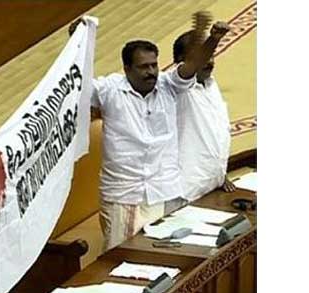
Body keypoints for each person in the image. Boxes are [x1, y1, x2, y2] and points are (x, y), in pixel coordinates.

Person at [69, 14, 218, 251]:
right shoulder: (109, 90)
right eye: (143, 67)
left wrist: (213, 38)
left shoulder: (169, 86)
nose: (151, 72)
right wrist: (77, 44)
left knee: (175, 263)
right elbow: (78, 84)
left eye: (154, 65)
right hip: (124, 198)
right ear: (127, 69)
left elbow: (192, 66)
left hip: (166, 191)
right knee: (123, 262)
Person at [172, 22, 237, 203]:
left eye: (211, 55)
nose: (209, 61)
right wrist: (214, 39)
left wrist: (219, 173)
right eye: (202, 56)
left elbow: (214, 132)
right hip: (185, 193)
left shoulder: (210, 83)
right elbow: (185, 74)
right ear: (180, 60)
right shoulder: (176, 87)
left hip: (211, 184)